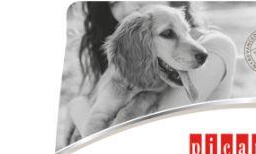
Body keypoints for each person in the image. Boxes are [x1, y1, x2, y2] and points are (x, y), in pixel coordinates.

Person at [66, 1, 236, 142]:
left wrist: (77, 107)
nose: (129, 6)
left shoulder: (215, 46)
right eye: (114, 3)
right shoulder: (131, 58)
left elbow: (137, 139)